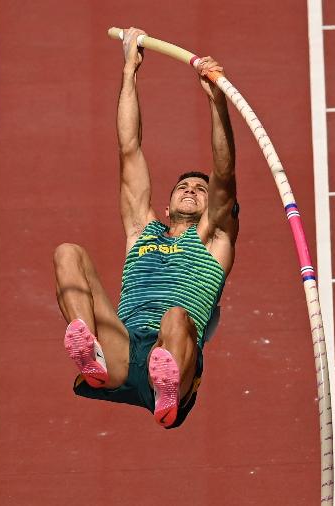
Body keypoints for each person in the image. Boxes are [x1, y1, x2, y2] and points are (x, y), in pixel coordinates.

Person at [53, 27, 238, 429]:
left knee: (175, 315)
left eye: (200, 189)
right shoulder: (142, 229)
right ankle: (90, 353)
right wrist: (128, 71)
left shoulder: (214, 240)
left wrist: (216, 103)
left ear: (214, 206)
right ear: (167, 203)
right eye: (183, 187)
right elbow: (129, 147)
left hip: (175, 354)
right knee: (68, 253)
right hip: (123, 349)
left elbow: (223, 171)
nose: (191, 190)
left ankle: (166, 389)